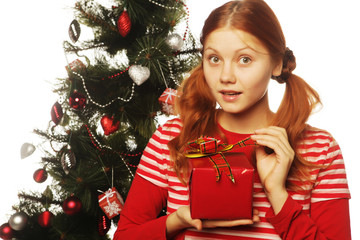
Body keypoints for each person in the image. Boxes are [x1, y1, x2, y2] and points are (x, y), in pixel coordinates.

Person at [113, 0, 351, 239]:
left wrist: (277, 193)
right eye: (214, 59)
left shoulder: (319, 149)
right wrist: (177, 221)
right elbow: (125, 235)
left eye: (245, 59)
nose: (226, 77)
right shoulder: (171, 137)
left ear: (277, 63)